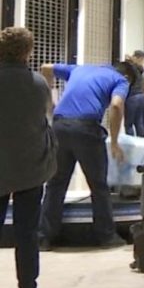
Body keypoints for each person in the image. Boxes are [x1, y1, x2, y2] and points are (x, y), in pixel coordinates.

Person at [39, 60, 135, 249]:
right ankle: (107, 237)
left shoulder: (78, 69)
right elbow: (116, 106)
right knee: (98, 186)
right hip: (87, 129)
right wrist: (114, 142)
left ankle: (44, 238)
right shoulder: (120, 80)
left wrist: (50, 102)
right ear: (127, 77)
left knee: (56, 184)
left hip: (59, 126)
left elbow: (46, 68)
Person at [0, 28, 56, 288]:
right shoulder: (38, 83)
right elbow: (46, 114)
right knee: (27, 231)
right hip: (30, 168)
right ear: (28, 52)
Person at [123, 55, 144, 137]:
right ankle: (142, 141)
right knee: (139, 121)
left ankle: (130, 143)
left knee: (128, 124)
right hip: (141, 96)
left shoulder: (130, 70)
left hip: (132, 97)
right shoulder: (140, 69)